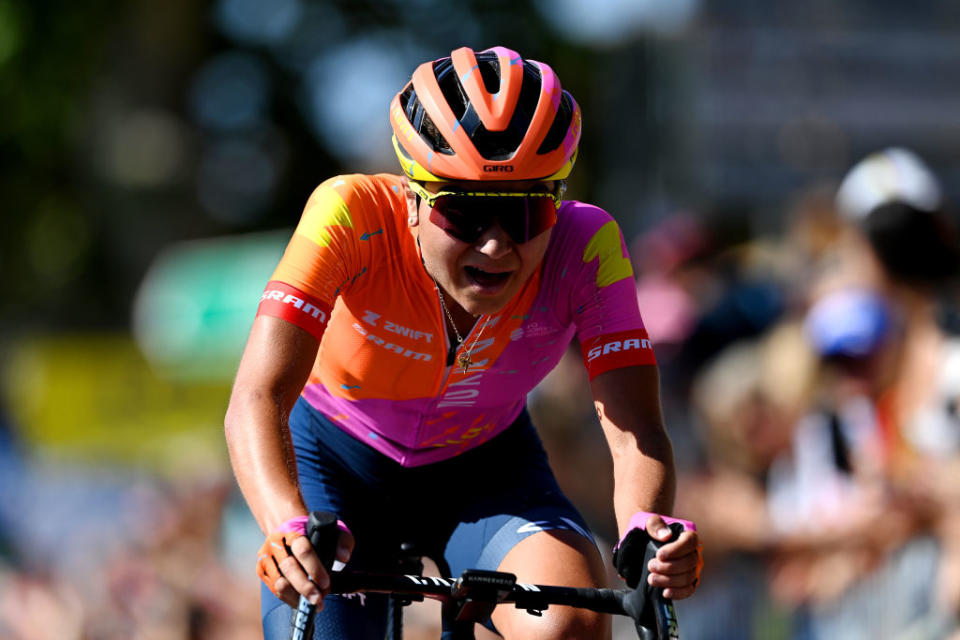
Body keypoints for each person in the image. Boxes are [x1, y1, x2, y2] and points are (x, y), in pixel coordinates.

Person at [224, 46, 703, 639]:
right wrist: (285, 522)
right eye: (466, 214)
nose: (497, 247)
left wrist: (645, 526)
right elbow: (258, 395)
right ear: (414, 199)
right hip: (335, 461)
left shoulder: (587, 245)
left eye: (527, 212)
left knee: (569, 626)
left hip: (486, 467)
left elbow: (636, 430)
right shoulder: (348, 214)